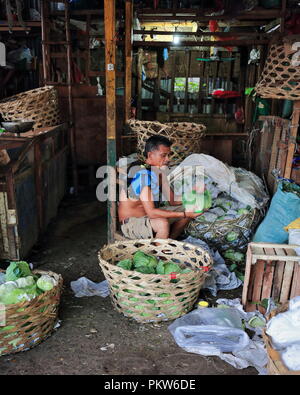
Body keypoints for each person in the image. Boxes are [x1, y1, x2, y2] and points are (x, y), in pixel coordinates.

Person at [118, 135, 203, 240]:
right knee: (162, 223)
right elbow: (152, 213)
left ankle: (167, 243)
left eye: (168, 155)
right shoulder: (142, 174)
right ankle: (159, 254)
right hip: (131, 223)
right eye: (163, 155)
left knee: (190, 207)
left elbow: (173, 201)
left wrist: (194, 195)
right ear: (150, 155)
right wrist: (184, 213)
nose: (167, 159)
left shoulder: (159, 172)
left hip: (149, 217)